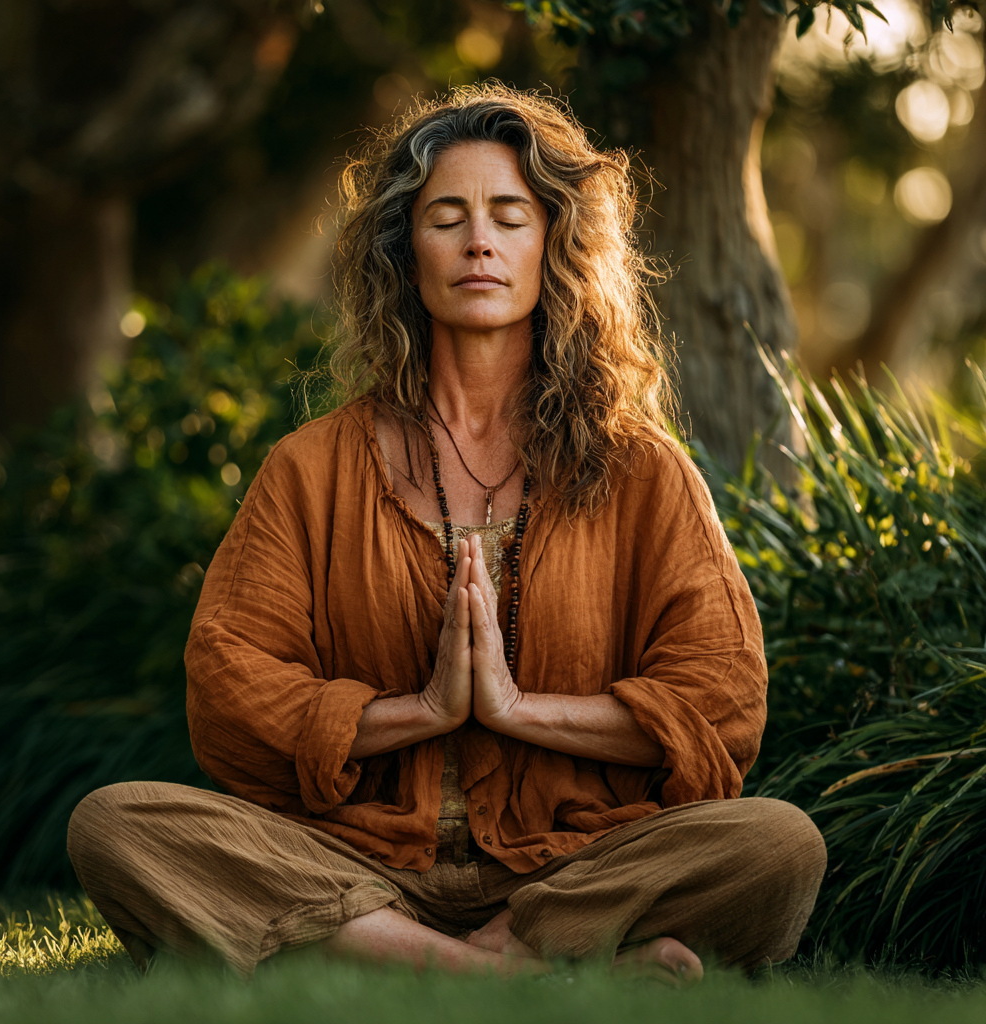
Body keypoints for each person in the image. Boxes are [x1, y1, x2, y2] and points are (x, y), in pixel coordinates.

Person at [67, 84, 826, 985]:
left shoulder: (642, 469)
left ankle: (393, 956)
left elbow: (721, 703)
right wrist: (419, 712)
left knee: (779, 844)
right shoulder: (311, 467)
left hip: (573, 859)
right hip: (357, 857)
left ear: (555, 245)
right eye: (447, 218)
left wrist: (513, 709)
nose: (479, 243)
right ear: (405, 252)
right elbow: (230, 691)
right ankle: (518, 972)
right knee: (115, 824)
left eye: (509, 216)